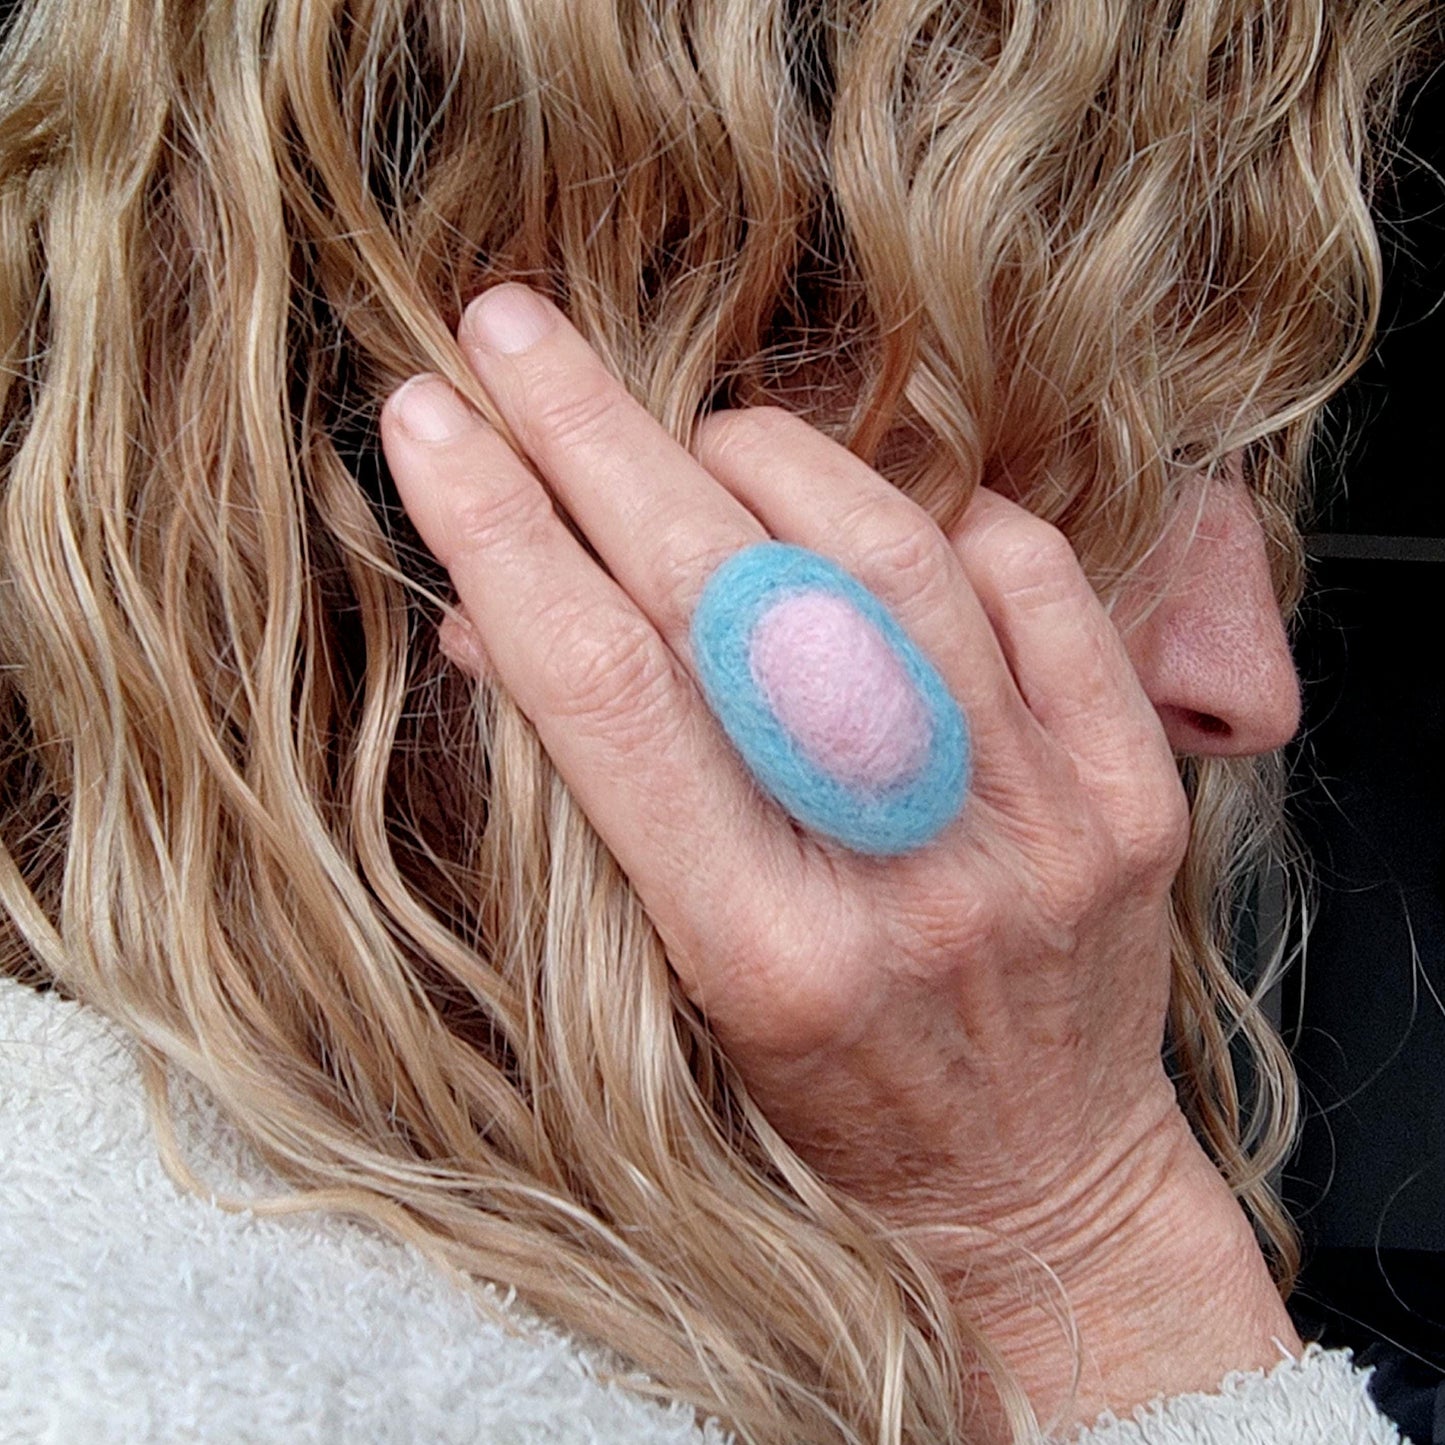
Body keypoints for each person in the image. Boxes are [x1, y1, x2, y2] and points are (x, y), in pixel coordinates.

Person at [0, 0, 1430, 1440]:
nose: (1250, 682)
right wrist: (1084, 1246)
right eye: (1128, 443)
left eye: (1247, 465)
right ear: (532, 479)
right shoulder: (107, 1367)